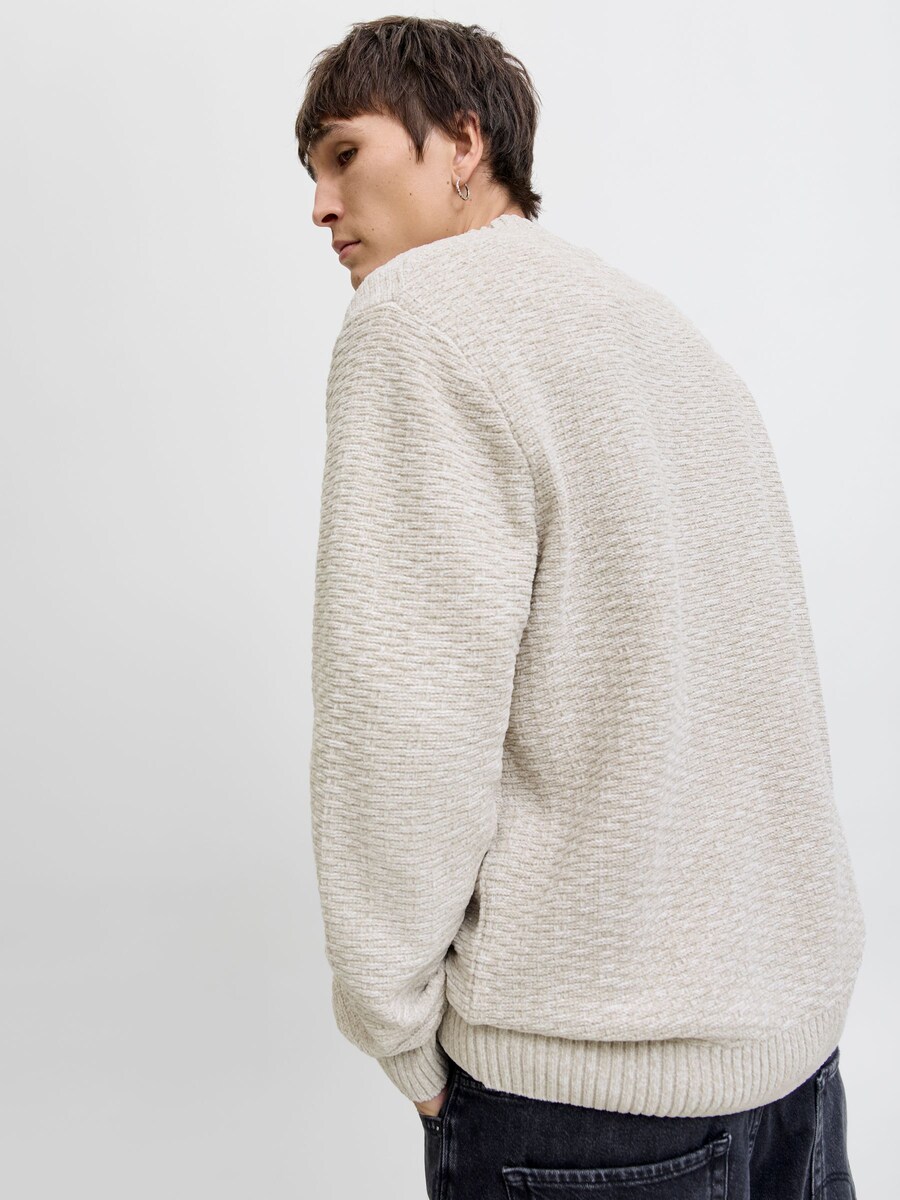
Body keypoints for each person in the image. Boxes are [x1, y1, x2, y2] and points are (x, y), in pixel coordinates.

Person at [296, 16, 865, 1199]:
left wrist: (395, 1026)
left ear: (463, 143)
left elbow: (403, 715)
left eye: (345, 154)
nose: (319, 206)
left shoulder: (417, 318)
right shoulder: (668, 338)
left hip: (587, 1094)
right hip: (793, 1066)